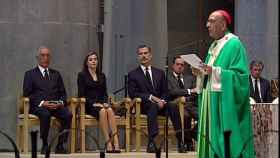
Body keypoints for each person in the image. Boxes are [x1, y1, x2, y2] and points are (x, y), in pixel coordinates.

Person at [191, 10, 255, 158]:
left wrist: (215, 71)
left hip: (222, 103)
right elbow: (209, 72)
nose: (207, 25)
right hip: (210, 101)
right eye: (207, 21)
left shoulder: (234, 44)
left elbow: (241, 78)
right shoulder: (213, 46)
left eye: (212, 21)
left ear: (223, 24)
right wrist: (200, 71)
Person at [128, 45, 184, 153]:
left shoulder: (160, 73)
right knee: (152, 106)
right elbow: (133, 93)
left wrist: (162, 101)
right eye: (140, 54)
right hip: (144, 105)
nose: (143, 56)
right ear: (138, 56)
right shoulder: (133, 74)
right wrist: (151, 97)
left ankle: (180, 141)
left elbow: (165, 92)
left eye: (145, 53)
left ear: (150, 55)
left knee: (173, 106)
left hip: (161, 105)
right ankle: (151, 141)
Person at [23, 46, 72, 154]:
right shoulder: (30, 74)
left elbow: (63, 93)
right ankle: (45, 144)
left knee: (68, 115)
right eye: (43, 55)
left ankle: (60, 145)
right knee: (45, 114)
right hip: (39, 107)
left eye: (48, 55)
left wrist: (59, 103)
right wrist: (42, 103)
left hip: (55, 106)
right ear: (38, 57)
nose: (45, 58)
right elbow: (27, 94)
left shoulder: (56, 74)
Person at [77, 51, 120, 153]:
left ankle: (116, 140)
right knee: (102, 111)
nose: (93, 61)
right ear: (86, 62)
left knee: (109, 109)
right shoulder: (82, 75)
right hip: (89, 105)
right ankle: (108, 142)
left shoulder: (102, 75)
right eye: (91, 60)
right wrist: (93, 103)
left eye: (95, 59)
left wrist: (105, 102)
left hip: (101, 103)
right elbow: (81, 95)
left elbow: (104, 93)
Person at [168, 55, 198, 151]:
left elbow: (196, 93)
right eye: (177, 64)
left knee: (205, 116)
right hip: (176, 106)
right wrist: (188, 91)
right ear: (173, 65)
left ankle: (192, 133)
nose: (180, 66)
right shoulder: (167, 78)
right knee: (185, 115)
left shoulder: (190, 78)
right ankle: (186, 142)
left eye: (182, 64)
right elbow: (172, 92)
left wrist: (187, 98)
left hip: (191, 105)